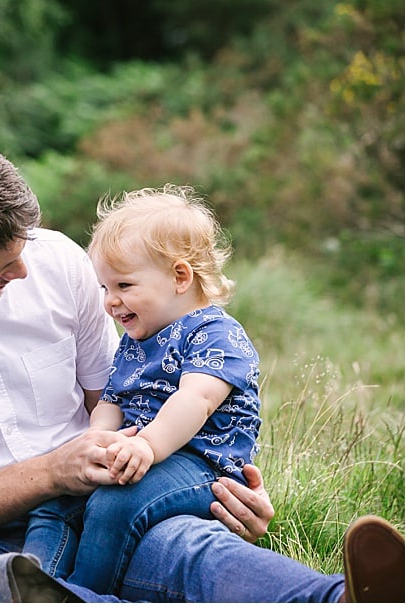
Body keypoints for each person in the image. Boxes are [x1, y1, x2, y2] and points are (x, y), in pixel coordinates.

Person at [0, 131, 404, 603]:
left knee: (182, 544)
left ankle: (341, 599)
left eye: (23, 249)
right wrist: (47, 474)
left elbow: (124, 405)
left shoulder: (58, 259)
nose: (25, 275)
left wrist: (205, 489)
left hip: (93, 515)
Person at [23, 185, 262, 593]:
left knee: (116, 504)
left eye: (123, 286)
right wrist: (98, 441)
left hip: (200, 465)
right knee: (55, 503)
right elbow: (113, 400)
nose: (109, 302)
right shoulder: (135, 342)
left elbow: (196, 401)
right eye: (104, 288)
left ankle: (82, 594)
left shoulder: (216, 333)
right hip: (141, 454)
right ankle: (30, 585)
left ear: (180, 276)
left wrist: (147, 446)